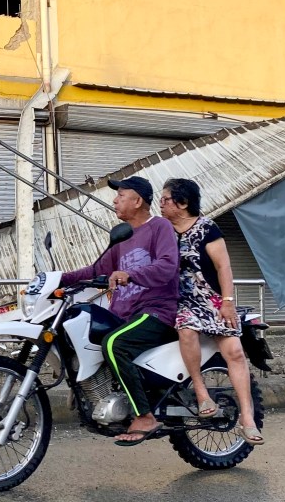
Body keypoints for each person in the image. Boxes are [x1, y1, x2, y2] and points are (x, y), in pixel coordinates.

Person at [60, 176, 179, 446]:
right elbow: (95, 271)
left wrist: (131, 275)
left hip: (156, 311)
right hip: (126, 314)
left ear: (137, 201)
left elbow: (168, 265)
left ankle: (145, 416)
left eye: (121, 195)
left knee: (114, 343)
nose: (115, 200)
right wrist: (58, 278)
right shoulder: (122, 235)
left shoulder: (159, 227)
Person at [159, 178, 266, 446]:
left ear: (182, 203)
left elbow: (224, 267)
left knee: (235, 352)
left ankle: (248, 418)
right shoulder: (163, 231)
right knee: (186, 329)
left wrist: (227, 301)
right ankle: (201, 392)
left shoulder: (207, 228)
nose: (160, 204)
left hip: (212, 299)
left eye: (165, 199)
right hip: (181, 301)